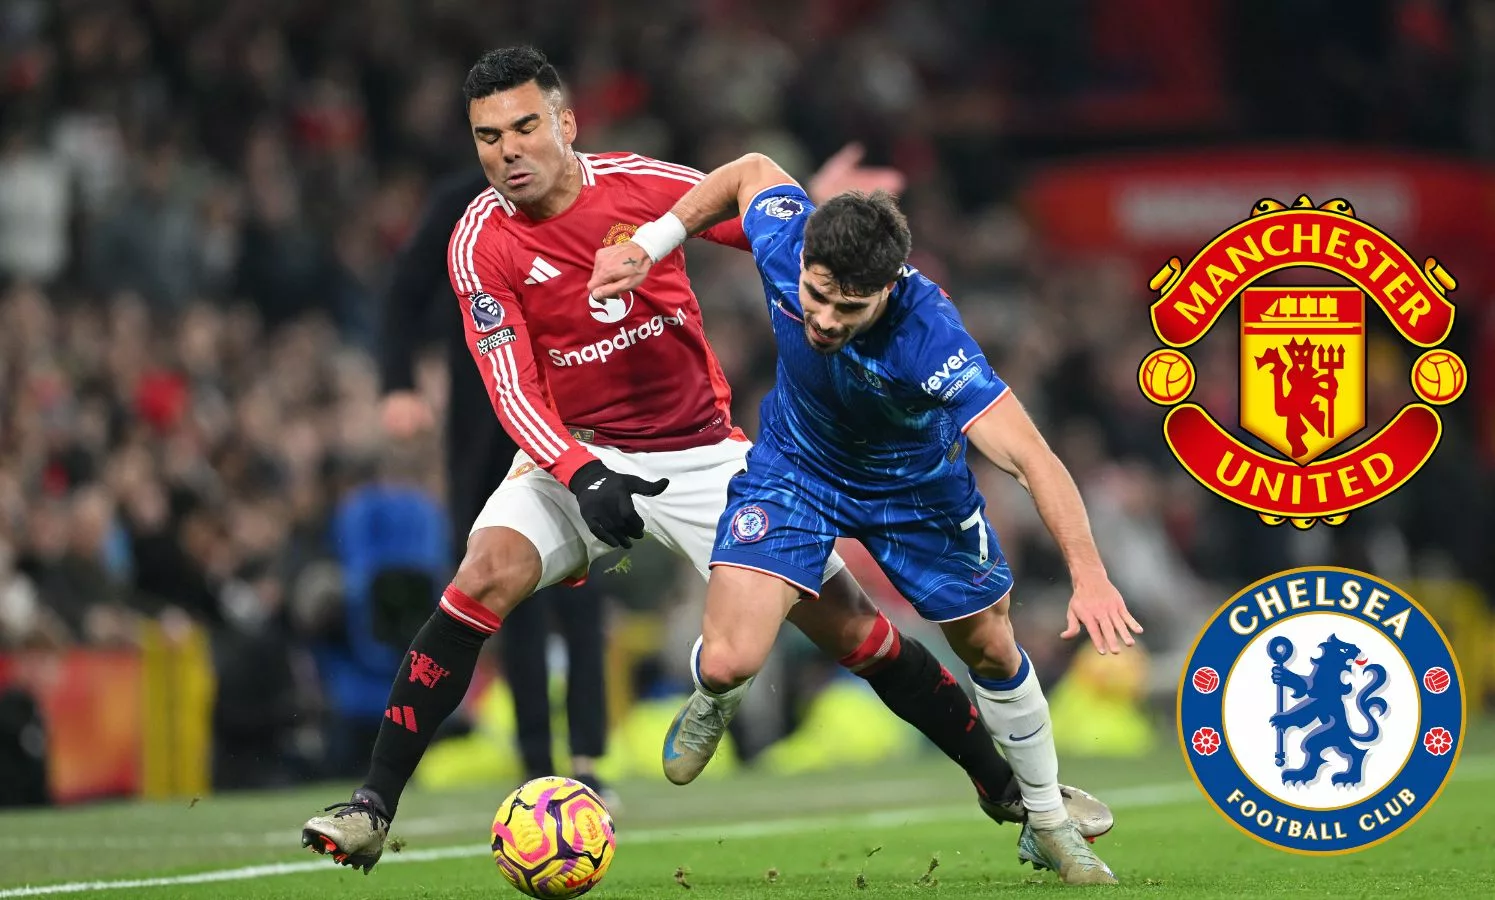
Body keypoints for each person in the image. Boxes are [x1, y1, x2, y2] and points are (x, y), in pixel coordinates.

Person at [301, 46, 1111, 873]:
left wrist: (823, 206)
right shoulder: (479, 240)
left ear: (566, 123)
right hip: (575, 453)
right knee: (481, 577)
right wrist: (579, 471)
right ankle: (370, 807)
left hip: (703, 453)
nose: (508, 151)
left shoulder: (641, 186)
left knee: (856, 632)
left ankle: (1006, 790)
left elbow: (771, 229)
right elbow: (509, 386)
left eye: (524, 127)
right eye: (487, 137)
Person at [587, 154, 1144, 885]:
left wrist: (1089, 574)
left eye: (848, 309)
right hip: (797, 471)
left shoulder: (931, 337)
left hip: (915, 494)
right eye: (816, 296)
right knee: (727, 660)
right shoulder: (787, 239)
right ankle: (715, 695)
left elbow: (1032, 458)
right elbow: (750, 170)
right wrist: (652, 242)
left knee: (989, 647)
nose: (823, 319)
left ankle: (1045, 822)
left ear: (888, 288)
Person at [377, 164, 615, 802]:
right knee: (509, 592)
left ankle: (588, 759)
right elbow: (404, 290)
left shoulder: (590, 192)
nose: (512, 147)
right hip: (485, 425)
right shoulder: (463, 204)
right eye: (494, 132)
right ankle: (537, 760)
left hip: (574, 414)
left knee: (584, 586)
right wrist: (397, 383)